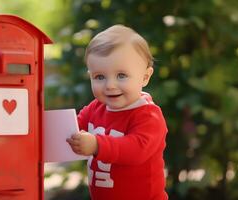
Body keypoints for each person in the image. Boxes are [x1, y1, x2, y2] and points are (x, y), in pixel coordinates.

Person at [66, 24, 168, 200]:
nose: (110, 85)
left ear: (145, 77)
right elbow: (70, 129)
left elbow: (136, 150)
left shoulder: (148, 115)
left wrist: (97, 145)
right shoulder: (95, 108)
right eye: (99, 77)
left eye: (121, 75)